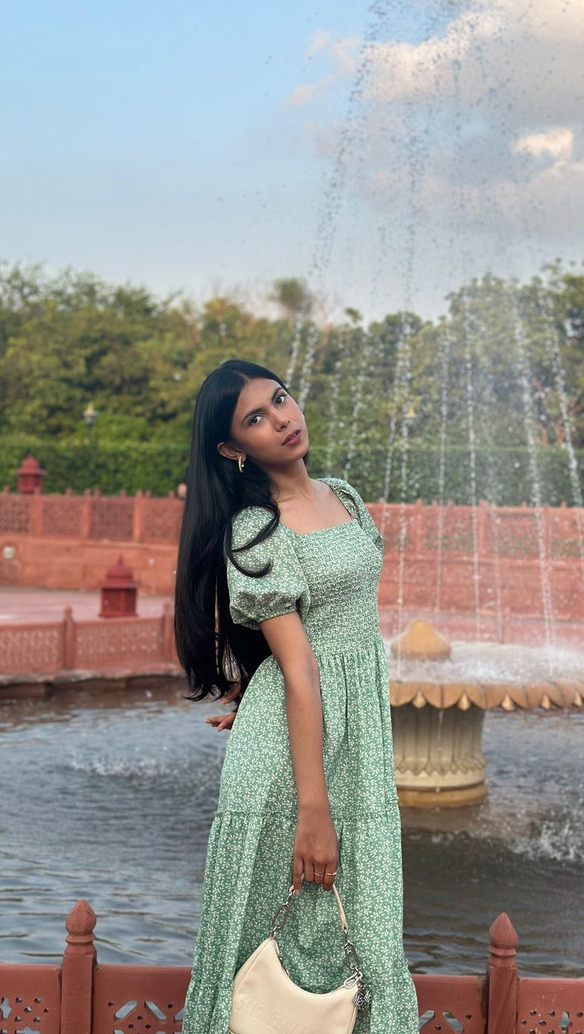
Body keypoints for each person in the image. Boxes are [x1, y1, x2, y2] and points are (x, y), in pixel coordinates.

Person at [174, 359, 420, 1034]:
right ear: (232, 448)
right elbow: (301, 665)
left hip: (351, 736)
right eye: (255, 417)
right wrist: (314, 808)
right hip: (296, 761)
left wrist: (255, 687)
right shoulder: (257, 530)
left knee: (364, 926)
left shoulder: (342, 493)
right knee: (261, 935)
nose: (282, 418)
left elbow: (332, 637)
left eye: (279, 399)